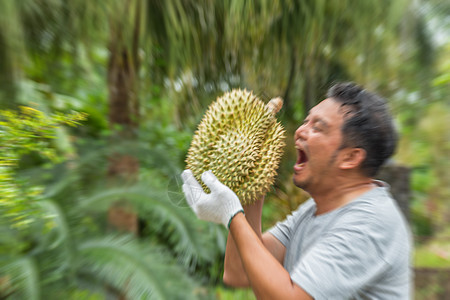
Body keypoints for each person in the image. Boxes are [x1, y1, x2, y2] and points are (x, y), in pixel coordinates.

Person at [181, 82, 412, 299]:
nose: (301, 131)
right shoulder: (315, 210)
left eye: (317, 127)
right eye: (306, 121)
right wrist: (253, 181)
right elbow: (239, 271)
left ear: (350, 157)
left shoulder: (370, 223)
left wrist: (232, 214)